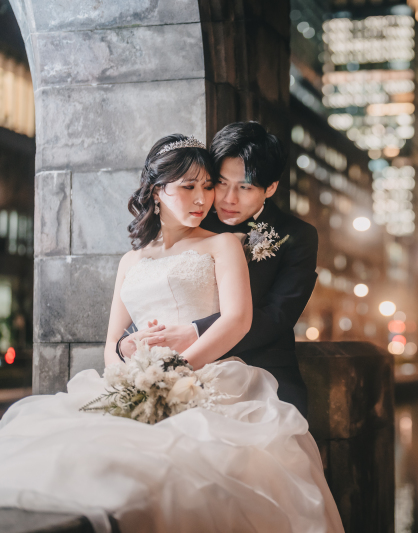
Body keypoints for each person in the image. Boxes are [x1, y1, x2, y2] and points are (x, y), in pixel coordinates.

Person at [0, 134, 344, 533]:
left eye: (211, 186)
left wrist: (178, 363)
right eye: (206, 185)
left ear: (269, 188)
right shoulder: (133, 257)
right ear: (157, 191)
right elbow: (116, 339)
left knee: (204, 468)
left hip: (227, 374)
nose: (211, 198)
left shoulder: (233, 242)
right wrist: (125, 359)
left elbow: (254, 317)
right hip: (141, 376)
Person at [117, 122, 316, 418]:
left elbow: (278, 314)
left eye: (245, 187)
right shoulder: (192, 218)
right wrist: (131, 346)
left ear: (271, 187)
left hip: (260, 370)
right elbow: (157, 291)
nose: (228, 198)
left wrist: (194, 333)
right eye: (220, 183)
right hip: (167, 368)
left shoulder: (297, 235)